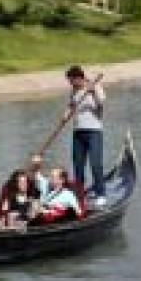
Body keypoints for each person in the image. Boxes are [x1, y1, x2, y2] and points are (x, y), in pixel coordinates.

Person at [63, 65, 105, 197]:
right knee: (78, 165)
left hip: (94, 131)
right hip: (78, 132)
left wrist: (93, 92)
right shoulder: (74, 91)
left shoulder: (95, 86)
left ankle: (101, 194)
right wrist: (66, 114)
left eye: (72, 81)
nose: (71, 84)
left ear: (78, 78)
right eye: (69, 81)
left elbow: (101, 105)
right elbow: (71, 105)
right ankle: (80, 195)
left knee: (95, 164)